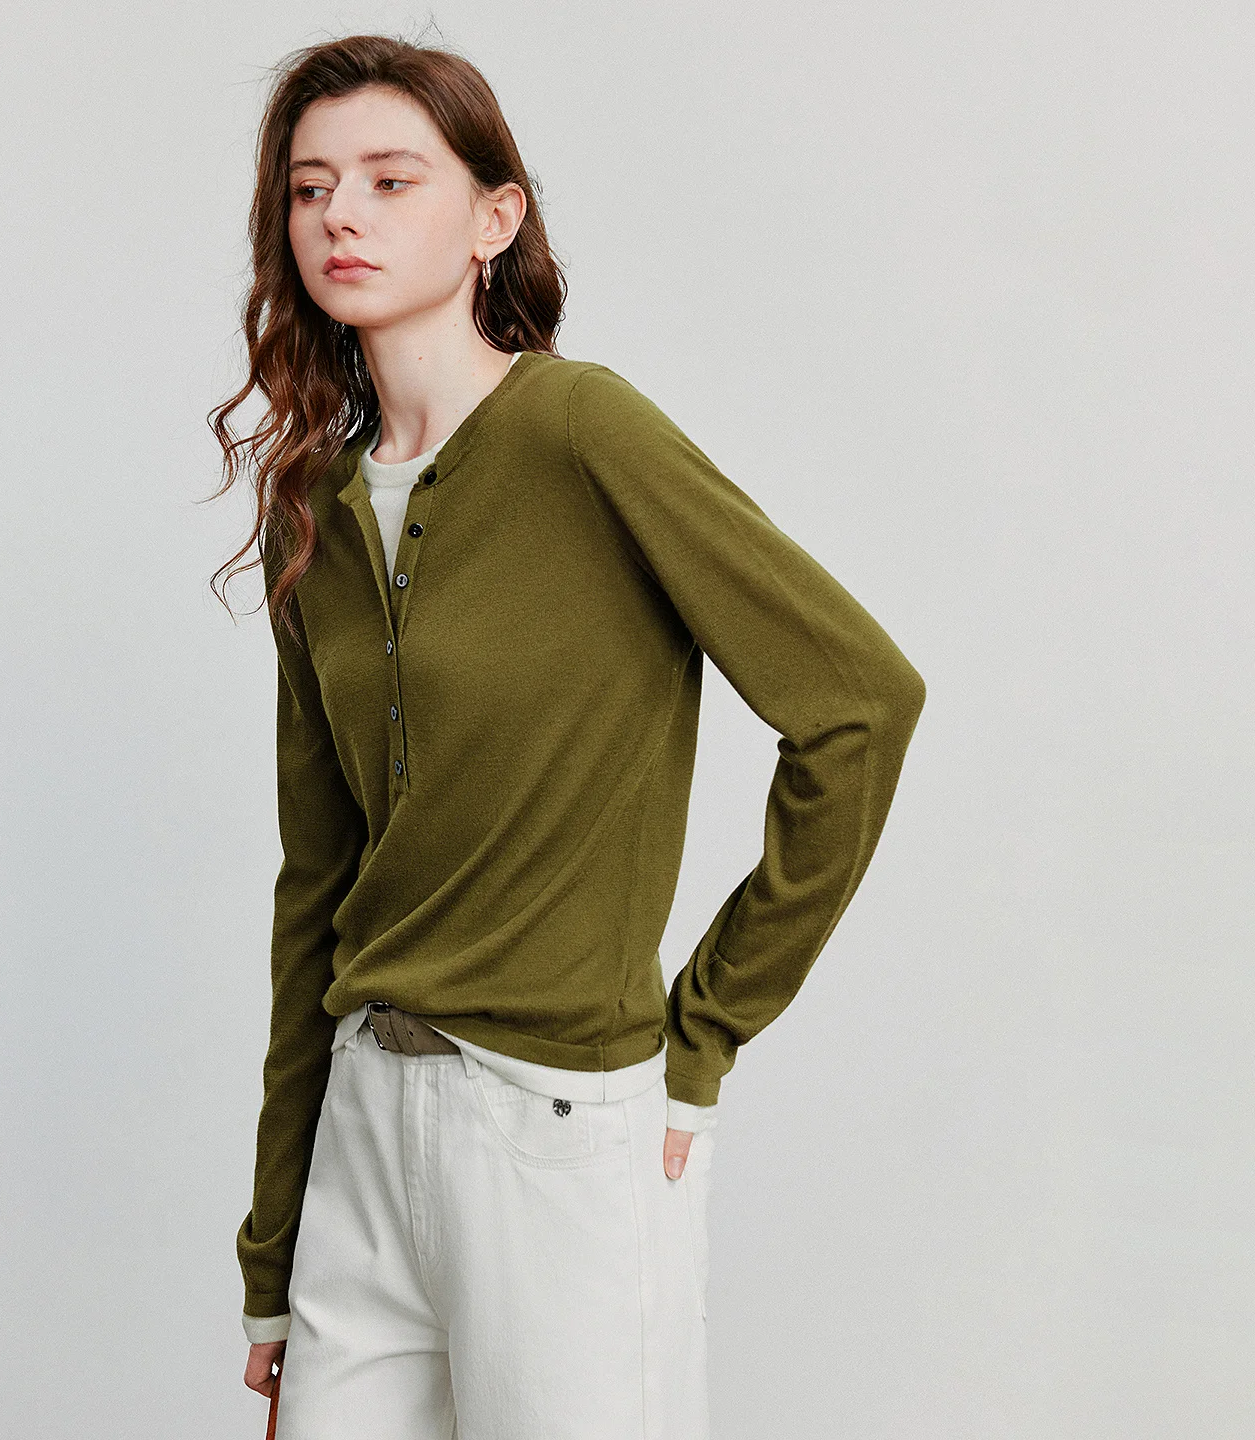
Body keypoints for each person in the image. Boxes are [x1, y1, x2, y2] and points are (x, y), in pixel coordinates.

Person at [206, 31, 925, 1440]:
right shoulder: (317, 513)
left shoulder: (584, 432)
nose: (342, 214)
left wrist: (704, 1031)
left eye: (391, 179)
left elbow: (859, 702)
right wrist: (274, 1251)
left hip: (552, 1132)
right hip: (361, 1136)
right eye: (310, 187)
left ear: (495, 218)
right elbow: (317, 891)